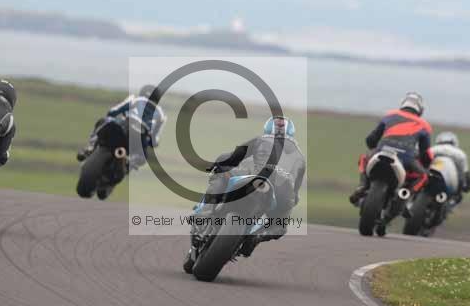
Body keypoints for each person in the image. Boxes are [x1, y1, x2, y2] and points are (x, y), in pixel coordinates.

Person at [194, 116, 306, 256]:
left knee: (221, 174)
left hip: (258, 180)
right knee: (279, 227)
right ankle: (255, 237)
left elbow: (234, 157)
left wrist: (219, 164)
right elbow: (295, 192)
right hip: (284, 194)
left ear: (267, 128)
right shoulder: (301, 157)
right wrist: (291, 201)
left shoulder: (261, 139)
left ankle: (203, 215)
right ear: (291, 132)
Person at [349, 92, 433, 213]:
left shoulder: (390, 115)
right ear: (420, 109)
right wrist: (426, 164)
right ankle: (406, 195)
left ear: (403, 104)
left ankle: (362, 185)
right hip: (406, 158)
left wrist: (375, 146)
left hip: (381, 152)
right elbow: (426, 154)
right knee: (423, 176)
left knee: (363, 158)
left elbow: (371, 139)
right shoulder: (424, 125)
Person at [77, 85, 167, 170]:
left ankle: (90, 148)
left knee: (104, 121)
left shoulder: (135, 100)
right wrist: (149, 140)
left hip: (124, 128)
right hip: (139, 140)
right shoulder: (161, 115)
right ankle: (129, 163)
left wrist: (115, 116)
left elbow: (113, 111)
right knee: (143, 156)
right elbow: (155, 141)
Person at [431, 131, 470, 210]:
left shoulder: (432, 149)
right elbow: (466, 175)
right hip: (451, 184)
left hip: (430, 176)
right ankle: (448, 207)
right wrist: (468, 187)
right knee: (458, 197)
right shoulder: (460, 154)